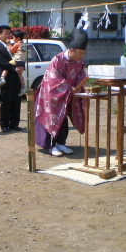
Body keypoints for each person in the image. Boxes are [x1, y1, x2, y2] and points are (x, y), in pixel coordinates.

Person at [34, 28, 88, 156]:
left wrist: (78, 87)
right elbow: (53, 79)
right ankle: (51, 145)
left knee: (64, 117)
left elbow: (81, 75)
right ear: (71, 50)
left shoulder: (79, 62)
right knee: (52, 117)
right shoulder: (57, 60)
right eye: (80, 52)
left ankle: (61, 144)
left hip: (68, 95)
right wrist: (70, 88)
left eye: (83, 53)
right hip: (51, 95)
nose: (81, 56)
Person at [0, 25, 24, 133]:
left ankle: (14, 124)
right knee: (6, 101)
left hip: (17, 77)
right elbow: (1, 63)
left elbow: (21, 57)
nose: (7, 36)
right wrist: (14, 68)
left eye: (9, 33)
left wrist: (21, 67)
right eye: (4, 33)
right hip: (6, 78)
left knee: (16, 101)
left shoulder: (15, 45)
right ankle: (4, 124)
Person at [0, 29, 27, 96]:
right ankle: (23, 86)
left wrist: (9, 44)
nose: (11, 38)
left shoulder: (16, 44)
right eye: (5, 33)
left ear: (17, 38)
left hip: (16, 60)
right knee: (20, 74)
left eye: (13, 37)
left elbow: (12, 50)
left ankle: (2, 78)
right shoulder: (23, 44)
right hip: (21, 61)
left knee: (7, 67)